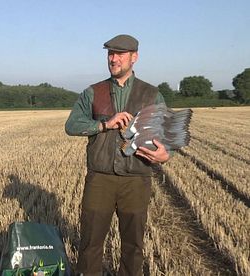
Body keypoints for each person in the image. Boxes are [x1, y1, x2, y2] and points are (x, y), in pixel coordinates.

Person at [65, 34, 170, 276]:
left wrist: (166, 154)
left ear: (134, 57)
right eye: (110, 54)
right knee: (90, 242)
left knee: (133, 245)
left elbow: (165, 133)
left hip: (136, 178)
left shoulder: (152, 94)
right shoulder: (93, 92)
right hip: (100, 178)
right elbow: (71, 125)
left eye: (119, 54)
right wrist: (103, 125)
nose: (113, 59)